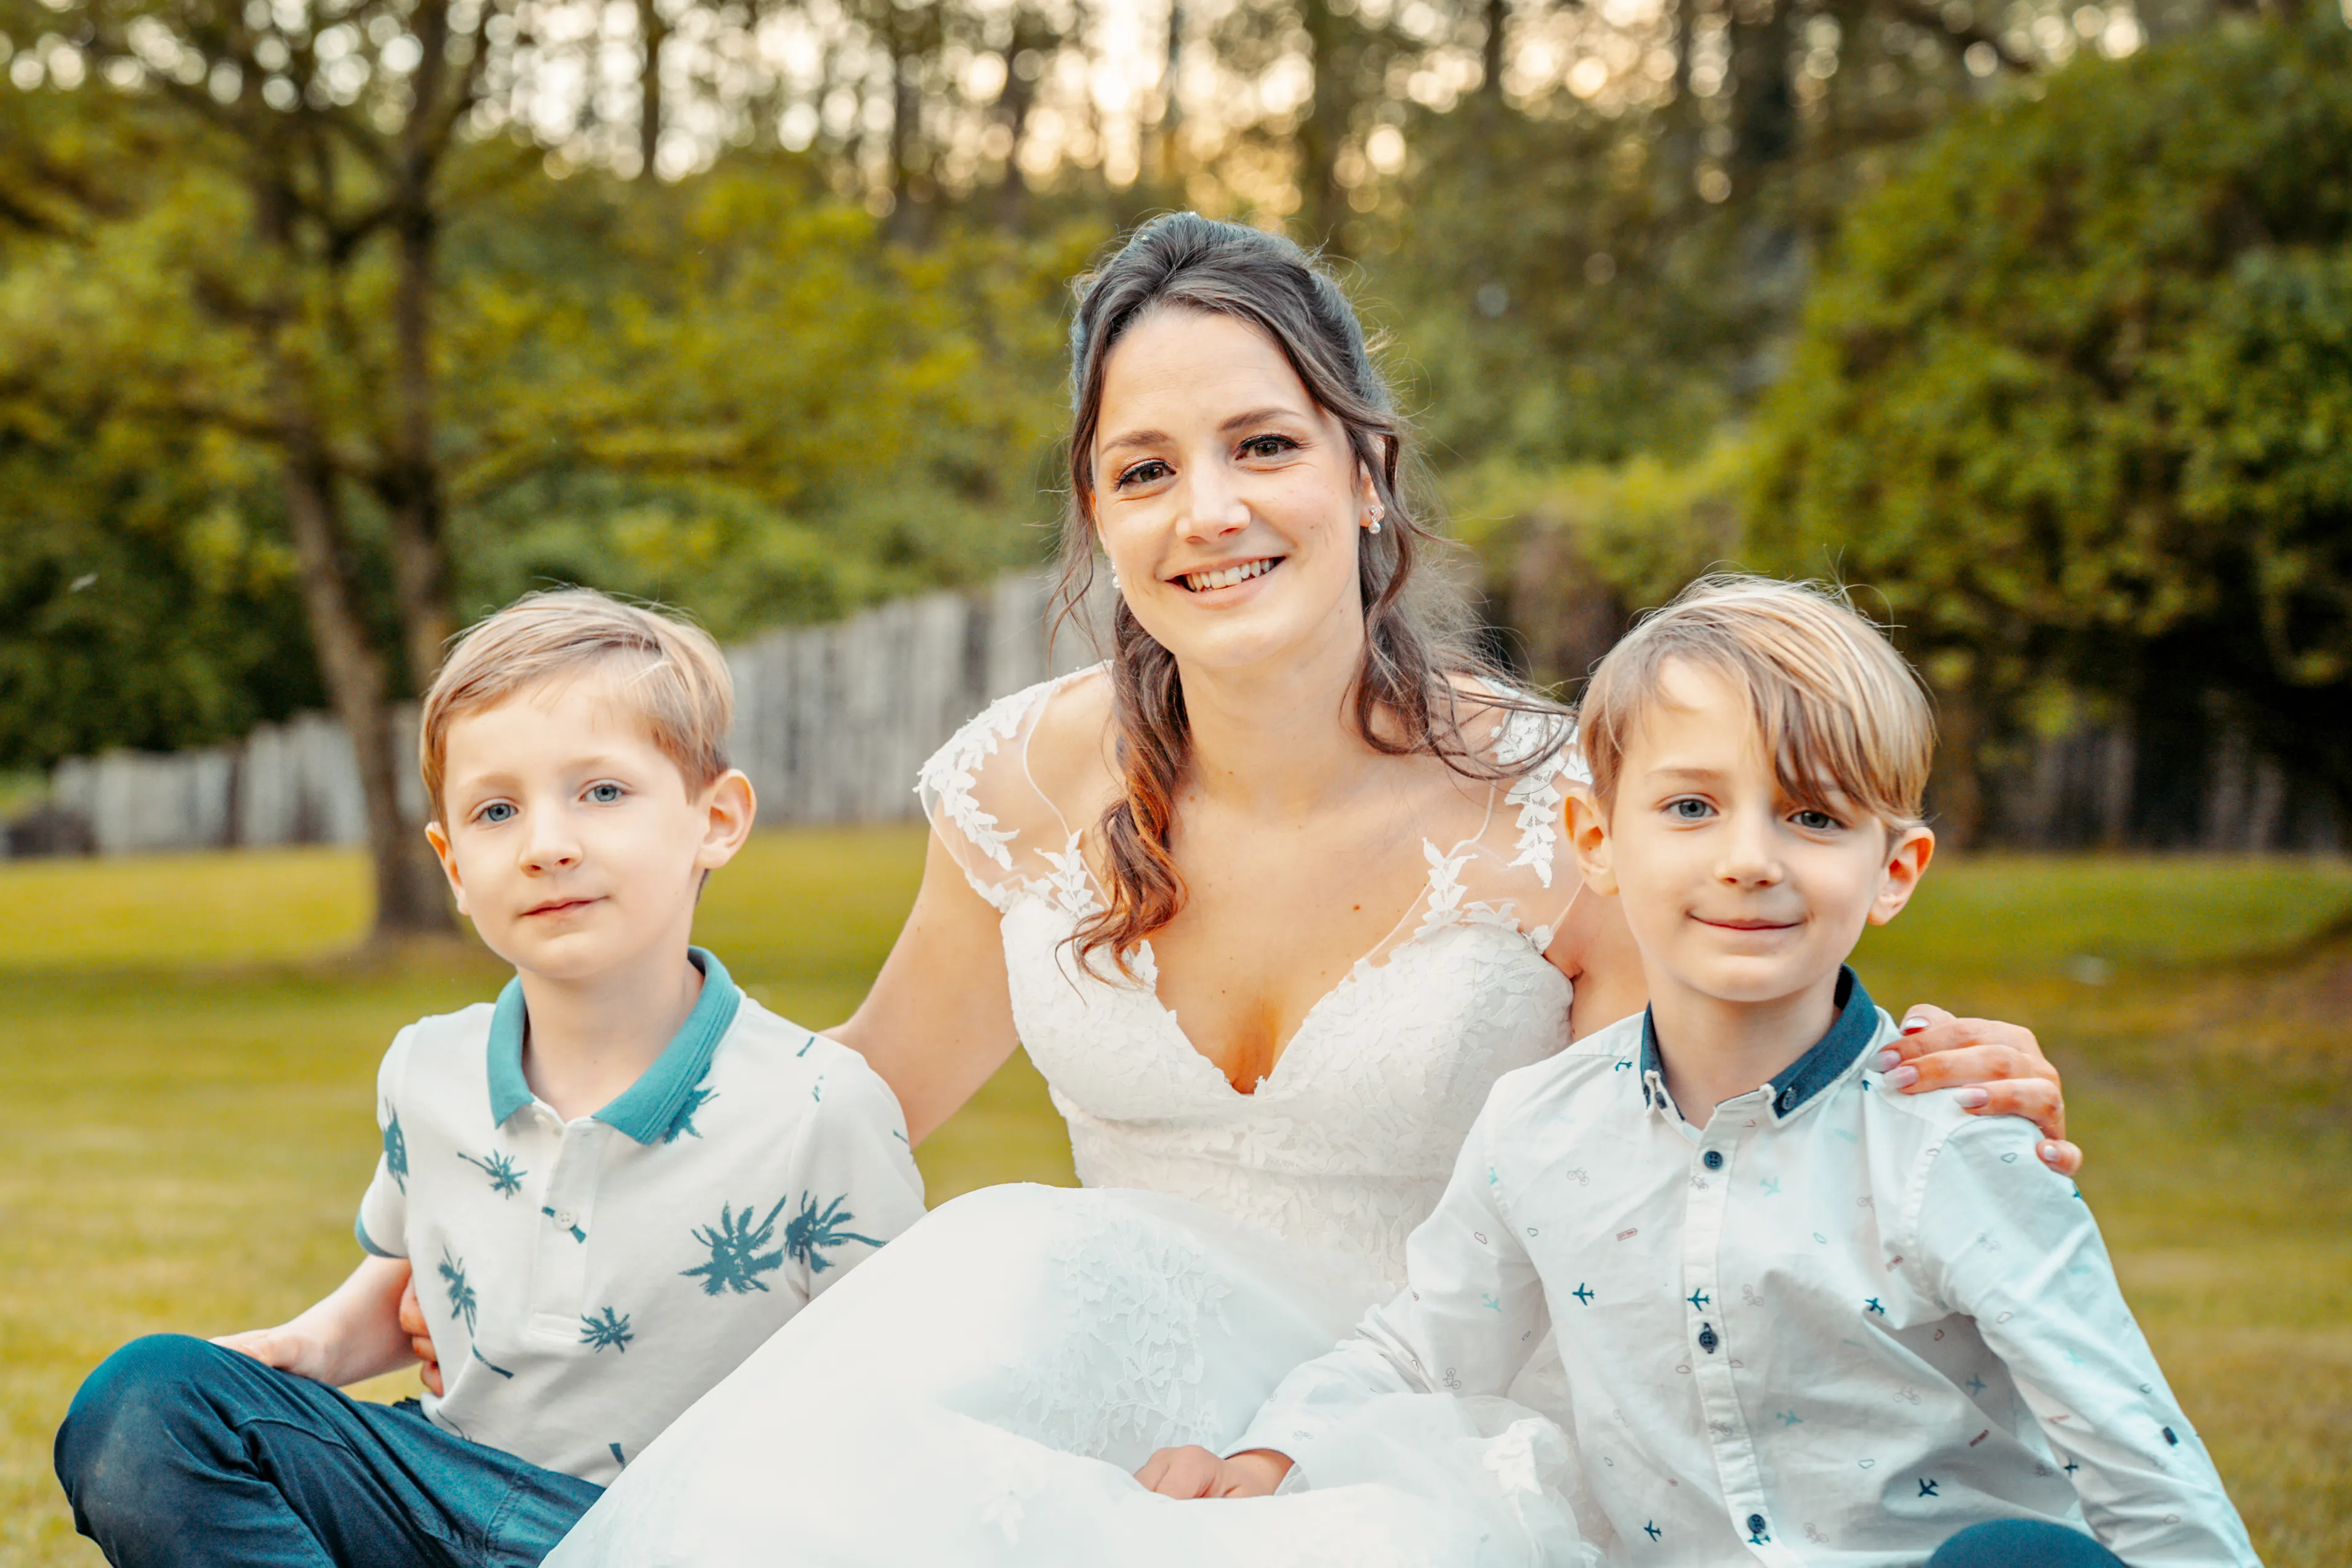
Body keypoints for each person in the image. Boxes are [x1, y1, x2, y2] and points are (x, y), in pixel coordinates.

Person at [538, 217, 2078, 1567]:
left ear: (1365, 471)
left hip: (1439, 1418)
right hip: (1102, 1385)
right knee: (981, 1288)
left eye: (1261, 445)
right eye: (1144, 470)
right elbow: (847, 1103)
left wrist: (1908, 1094)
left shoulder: (1565, 814)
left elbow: (1703, 1154)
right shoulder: (1026, 780)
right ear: (1099, 517)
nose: (1205, 510)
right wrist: (506, 1219)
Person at [1150, 577, 2257, 1567]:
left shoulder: (1951, 1134)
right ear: (1596, 838)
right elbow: (1423, 1344)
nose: (1748, 857)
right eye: (1691, 806)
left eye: (1813, 815)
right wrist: (1272, 1454)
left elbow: (2135, 1449)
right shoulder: (1540, 1129)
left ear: (1895, 869)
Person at [53, 590, 927, 1568]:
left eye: (601, 791)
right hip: (446, 1489)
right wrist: (304, 1348)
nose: (546, 842)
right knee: (146, 1402)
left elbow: (893, 1400)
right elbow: (417, 1273)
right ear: (455, 866)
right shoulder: (427, 1068)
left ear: (715, 819)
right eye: (497, 809)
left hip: (680, 1532)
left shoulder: (821, 1105)